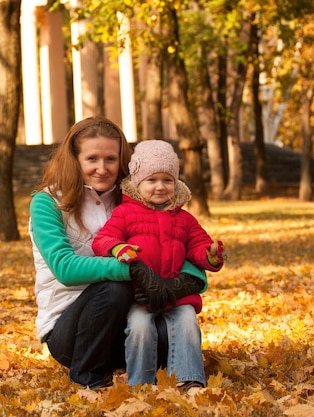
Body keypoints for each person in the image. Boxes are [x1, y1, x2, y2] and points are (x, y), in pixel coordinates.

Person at [28, 117, 208, 389]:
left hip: (127, 319)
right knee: (114, 288)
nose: (102, 169)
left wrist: (182, 282)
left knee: (173, 330)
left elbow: (173, 236)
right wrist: (133, 270)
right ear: (75, 159)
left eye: (110, 159)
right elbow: (64, 267)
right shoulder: (48, 202)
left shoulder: (134, 198)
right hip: (70, 329)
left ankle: (167, 379)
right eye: (92, 159)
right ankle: (89, 379)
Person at [92, 139, 226, 389]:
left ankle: (188, 379)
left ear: (175, 183)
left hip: (176, 293)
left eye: (167, 180)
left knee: (187, 323)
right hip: (141, 294)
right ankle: (141, 383)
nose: (160, 187)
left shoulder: (184, 219)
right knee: (140, 328)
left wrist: (210, 255)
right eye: (151, 180)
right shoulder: (125, 213)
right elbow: (102, 240)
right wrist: (117, 247)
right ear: (137, 183)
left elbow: (198, 246)